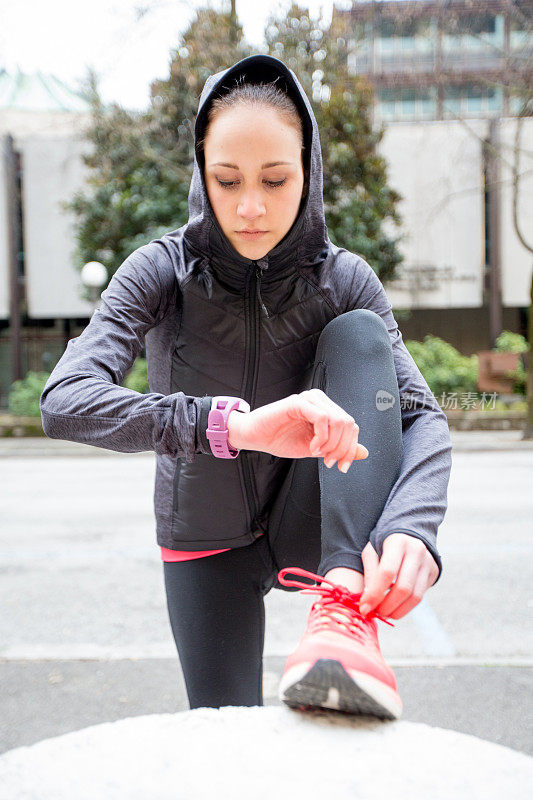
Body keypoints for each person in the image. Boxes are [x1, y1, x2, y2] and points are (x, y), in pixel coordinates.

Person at [40, 54, 452, 720]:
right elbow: (63, 401)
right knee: (225, 739)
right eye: (226, 181)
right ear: (202, 175)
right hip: (203, 534)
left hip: (316, 520)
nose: (251, 207)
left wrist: (411, 526)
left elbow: (420, 417)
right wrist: (228, 426)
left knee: (358, 337)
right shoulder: (161, 268)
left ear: (308, 174)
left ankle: (341, 608)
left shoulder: (343, 278)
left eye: (275, 179)